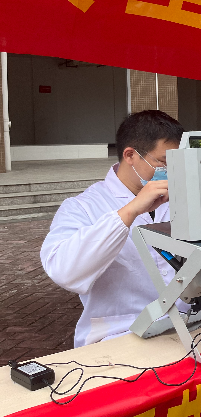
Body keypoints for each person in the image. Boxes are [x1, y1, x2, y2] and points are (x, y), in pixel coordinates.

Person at [40, 110, 184, 347]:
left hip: (187, 323)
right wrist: (129, 212)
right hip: (121, 333)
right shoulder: (83, 207)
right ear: (130, 155)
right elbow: (63, 270)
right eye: (164, 163)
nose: (170, 171)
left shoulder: (178, 198)